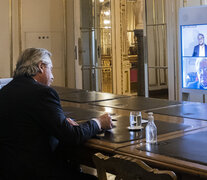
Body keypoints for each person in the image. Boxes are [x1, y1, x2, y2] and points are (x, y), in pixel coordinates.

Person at [0, 48, 113, 180]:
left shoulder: (4, 92)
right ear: (41, 67)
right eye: (51, 69)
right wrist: (98, 122)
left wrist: (62, 123)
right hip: (38, 172)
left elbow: (27, 125)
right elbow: (72, 136)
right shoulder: (43, 93)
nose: (52, 76)